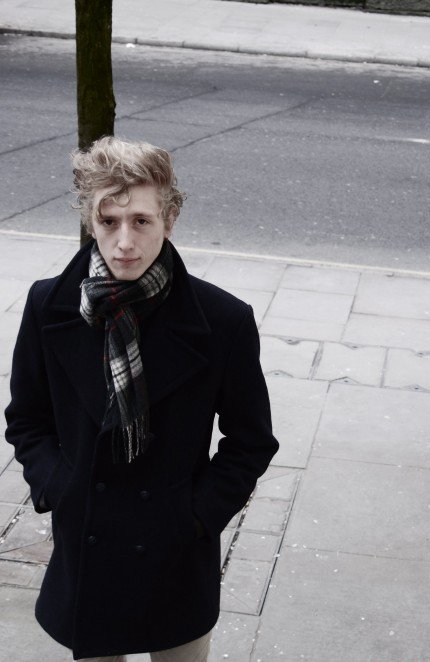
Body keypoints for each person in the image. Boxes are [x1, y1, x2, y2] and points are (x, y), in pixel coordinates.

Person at [4, 137, 279, 661]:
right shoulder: (48, 305)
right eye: (109, 221)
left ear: (169, 220)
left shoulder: (222, 320)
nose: (124, 242)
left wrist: (195, 516)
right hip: (87, 547)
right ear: (90, 221)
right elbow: (27, 419)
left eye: (141, 221)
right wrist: (60, 488)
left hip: (174, 555)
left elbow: (251, 441)